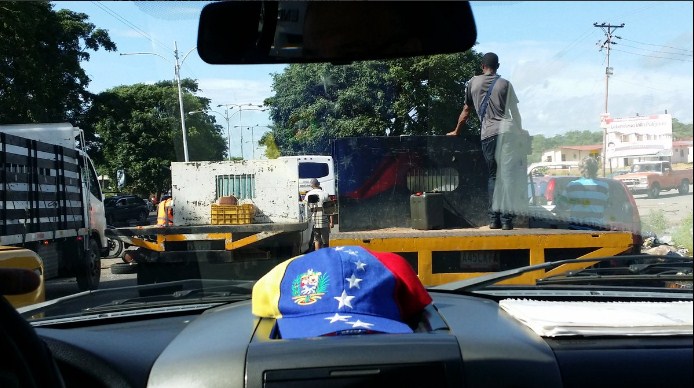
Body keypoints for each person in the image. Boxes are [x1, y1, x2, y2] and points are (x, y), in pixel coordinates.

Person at [446, 52, 525, 230]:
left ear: (482, 66)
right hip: (508, 133)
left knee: (494, 176)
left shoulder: (473, 83)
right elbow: (515, 113)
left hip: (488, 134)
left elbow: (466, 111)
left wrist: (456, 131)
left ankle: (493, 220)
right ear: (498, 66)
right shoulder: (506, 84)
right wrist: (519, 131)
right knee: (507, 177)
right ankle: (506, 221)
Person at [555, 156, 609, 230]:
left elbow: (562, 205)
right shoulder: (604, 187)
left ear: (580, 169)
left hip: (576, 228)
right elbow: (605, 206)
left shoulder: (572, 186)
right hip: (596, 229)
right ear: (596, 169)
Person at [304, 178, 333, 250]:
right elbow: (330, 209)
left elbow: (305, 207)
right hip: (324, 221)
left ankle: (318, 256)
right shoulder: (325, 194)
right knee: (326, 241)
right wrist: (331, 222)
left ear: (311, 186)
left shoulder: (308, 195)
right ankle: (326, 255)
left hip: (314, 221)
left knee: (316, 240)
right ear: (318, 184)